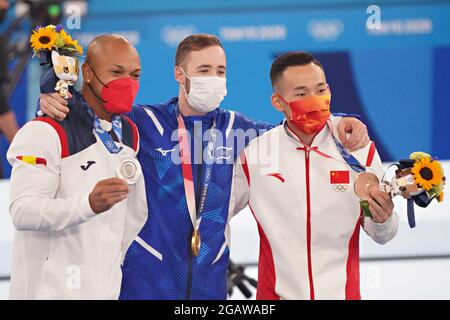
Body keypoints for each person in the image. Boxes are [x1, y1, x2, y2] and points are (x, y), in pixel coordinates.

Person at [38, 34, 370, 300]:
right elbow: (95, 118)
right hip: (146, 282)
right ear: (179, 75)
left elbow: (293, 130)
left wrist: (340, 121)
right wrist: (54, 101)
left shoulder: (239, 131)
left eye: (220, 71)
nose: (214, 78)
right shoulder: (146, 122)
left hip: (209, 284)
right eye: (204, 70)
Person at [231, 51, 399, 300]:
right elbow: (215, 216)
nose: (314, 99)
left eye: (320, 90)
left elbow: (382, 234)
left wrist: (384, 219)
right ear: (278, 102)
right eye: (301, 94)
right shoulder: (255, 154)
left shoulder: (358, 148)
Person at [7, 34, 147, 299]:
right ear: (88, 73)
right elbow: (23, 211)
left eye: (135, 75)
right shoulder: (45, 130)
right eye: (116, 72)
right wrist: (88, 204)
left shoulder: (130, 135)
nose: (127, 82)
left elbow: (128, 222)